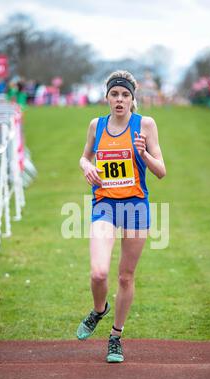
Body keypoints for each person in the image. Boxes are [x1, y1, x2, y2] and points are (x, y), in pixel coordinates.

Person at [76, 70, 166, 363]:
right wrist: (85, 167)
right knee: (98, 272)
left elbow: (161, 171)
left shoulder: (145, 125)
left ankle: (115, 336)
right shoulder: (96, 125)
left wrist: (144, 154)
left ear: (132, 99)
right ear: (106, 97)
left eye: (125, 95)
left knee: (125, 276)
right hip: (104, 204)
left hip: (136, 206)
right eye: (114, 94)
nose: (119, 99)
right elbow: (85, 156)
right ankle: (99, 310)